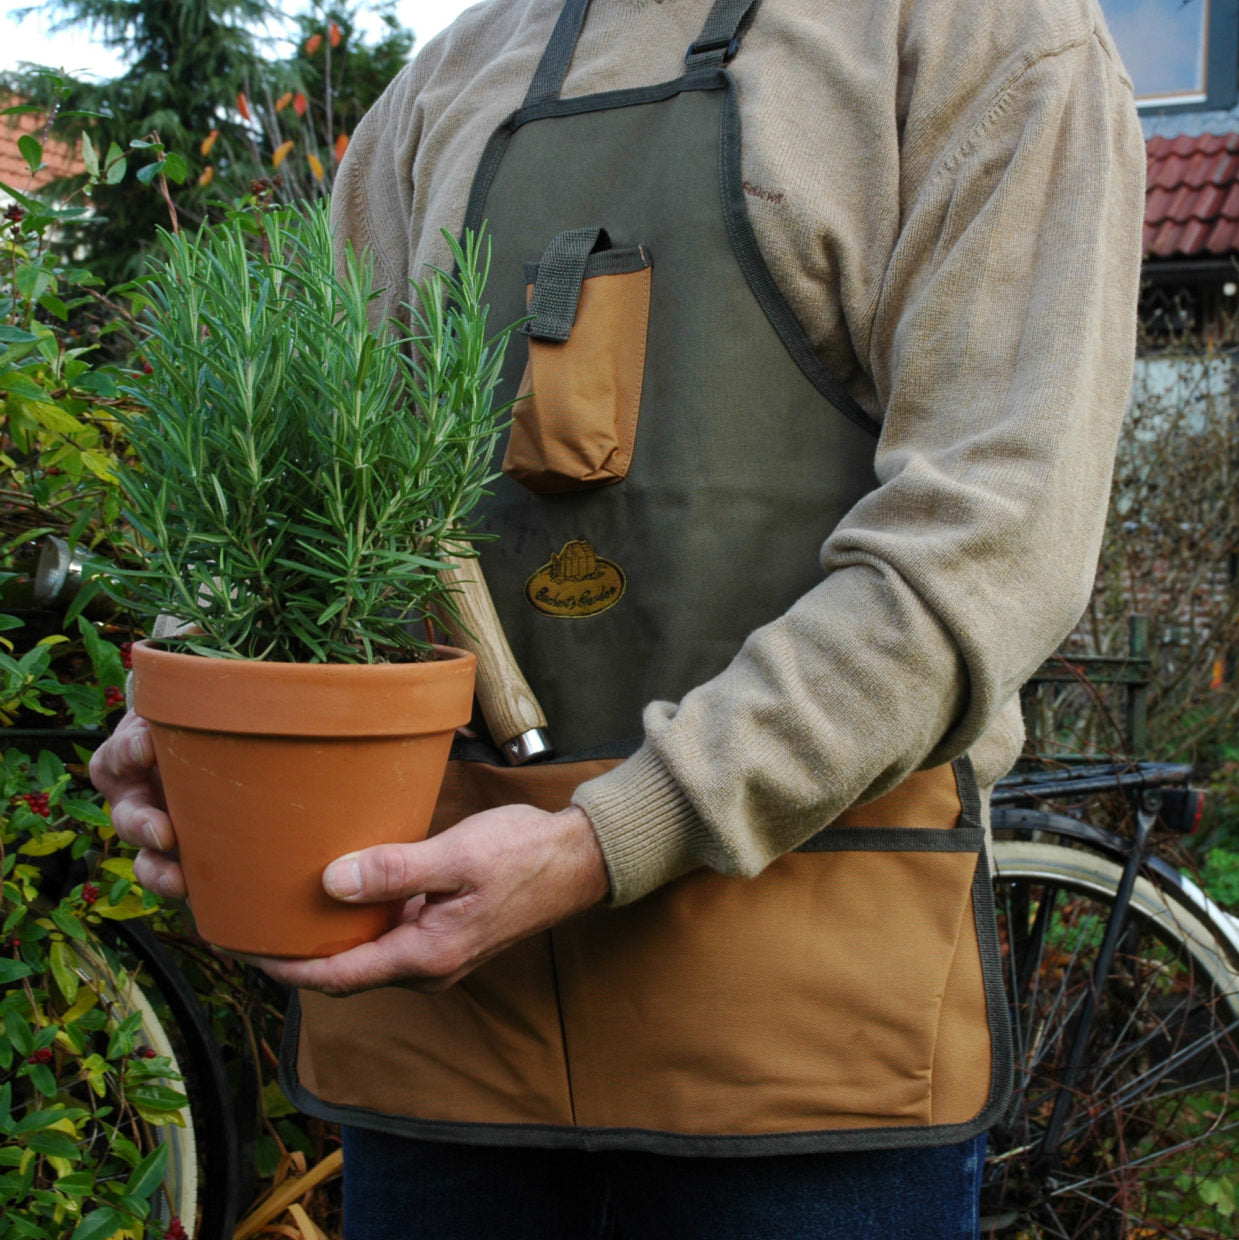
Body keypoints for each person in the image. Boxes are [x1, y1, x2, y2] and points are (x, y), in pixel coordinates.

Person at [91, 0, 1146, 1234]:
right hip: (444, 1060)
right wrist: (198, 718)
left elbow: (986, 543)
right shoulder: (446, 84)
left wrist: (608, 836)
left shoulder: (980, 40)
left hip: (796, 1077)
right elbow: (289, 483)